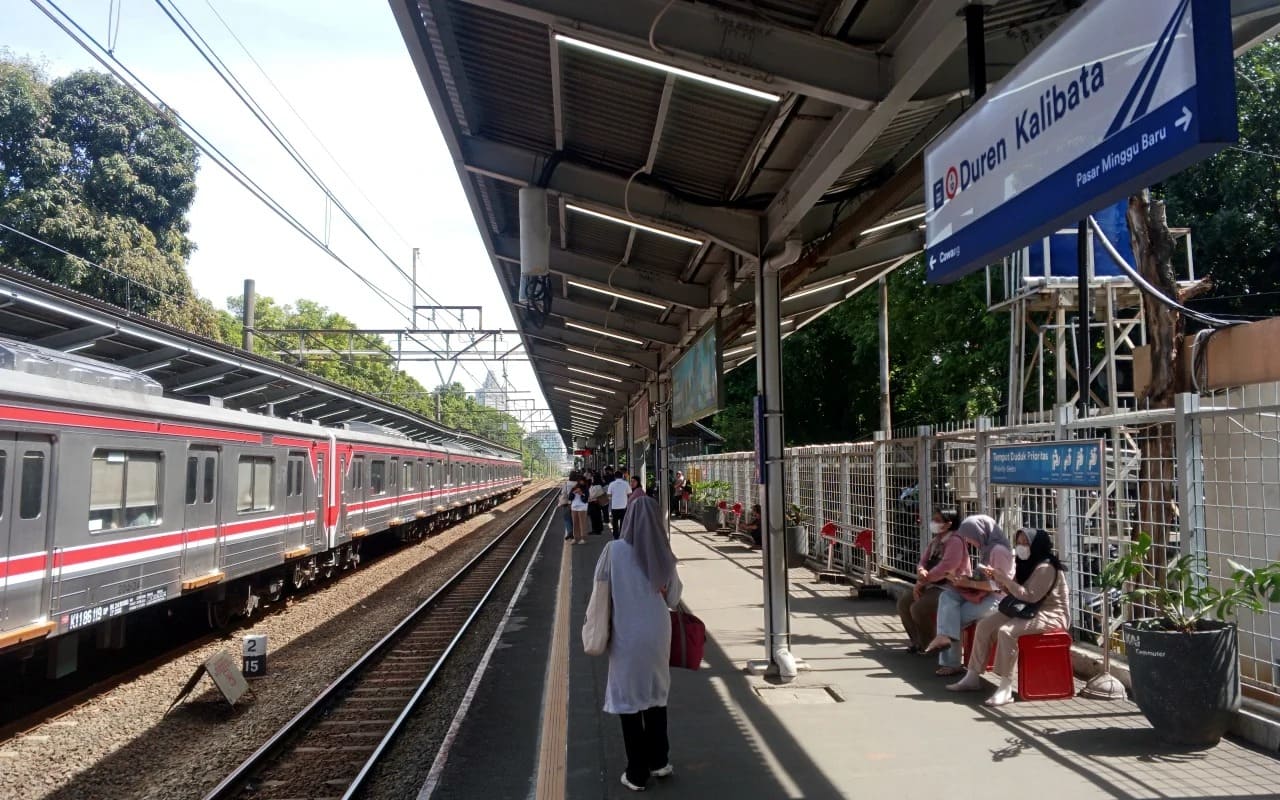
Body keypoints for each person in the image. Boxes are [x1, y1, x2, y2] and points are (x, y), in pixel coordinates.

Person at [590, 496, 682, 791]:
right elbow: (674, 598)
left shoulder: (613, 550)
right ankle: (659, 761)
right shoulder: (663, 552)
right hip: (658, 632)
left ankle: (636, 772)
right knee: (656, 693)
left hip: (627, 633)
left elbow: (600, 589)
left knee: (628, 699)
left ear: (628, 518)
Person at [947, 529, 1069, 706]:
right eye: (1019, 542)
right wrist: (1000, 581)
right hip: (1027, 609)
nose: (1021, 547)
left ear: (1036, 545)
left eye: (1026, 543)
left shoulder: (1046, 567)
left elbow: (1029, 596)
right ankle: (972, 676)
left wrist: (1004, 578)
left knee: (1006, 632)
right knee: (985, 625)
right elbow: (1016, 592)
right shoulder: (1026, 563)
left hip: (1051, 613)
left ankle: (1005, 687)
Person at [925, 515, 1014, 677]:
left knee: (953, 619)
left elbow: (1000, 585)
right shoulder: (987, 548)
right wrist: (966, 579)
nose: (967, 541)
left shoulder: (998, 551)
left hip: (996, 600)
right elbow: (985, 577)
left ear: (979, 533)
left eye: (969, 537)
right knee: (947, 597)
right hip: (980, 593)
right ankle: (944, 642)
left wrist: (969, 583)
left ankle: (950, 661)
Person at [896, 509, 966, 653]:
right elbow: (923, 560)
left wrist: (922, 582)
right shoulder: (936, 540)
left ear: (948, 524)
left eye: (938, 520)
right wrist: (921, 570)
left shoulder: (955, 542)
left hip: (951, 587)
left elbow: (946, 567)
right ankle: (916, 642)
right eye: (933, 519)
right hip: (932, 584)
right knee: (904, 602)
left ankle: (930, 644)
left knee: (918, 608)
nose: (933, 523)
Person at [608, 471, 630, 538]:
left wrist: (613, 497)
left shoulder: (611, 484)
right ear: (622, 476)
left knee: (614, 521)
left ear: (615, 476)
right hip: (624, 506)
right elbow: (629, 493)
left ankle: (615, 535)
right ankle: (622, 534)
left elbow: (609, 494)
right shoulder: (626, 483)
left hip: (615, 506)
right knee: (623, 522)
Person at [570, 480, 590, 545]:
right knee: (575, 523)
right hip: (574, 507)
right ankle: (576, 538)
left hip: (582, 508)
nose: (581, 482)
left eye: (583, 481)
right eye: (580, 481)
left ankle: (583, 538)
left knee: (582, 523)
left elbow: (585, 500)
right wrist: (574, 492)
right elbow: (570, 498)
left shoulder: (586, 489)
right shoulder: (573, 488)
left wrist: (581, 494)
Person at [560, 472, 578, 541]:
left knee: (567, 519)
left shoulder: (566, 484)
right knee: (575, 519)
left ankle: (570, 533)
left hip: (567, 503)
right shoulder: (578, 483)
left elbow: (563, 493)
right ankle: (575, 533)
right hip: (576, 504)